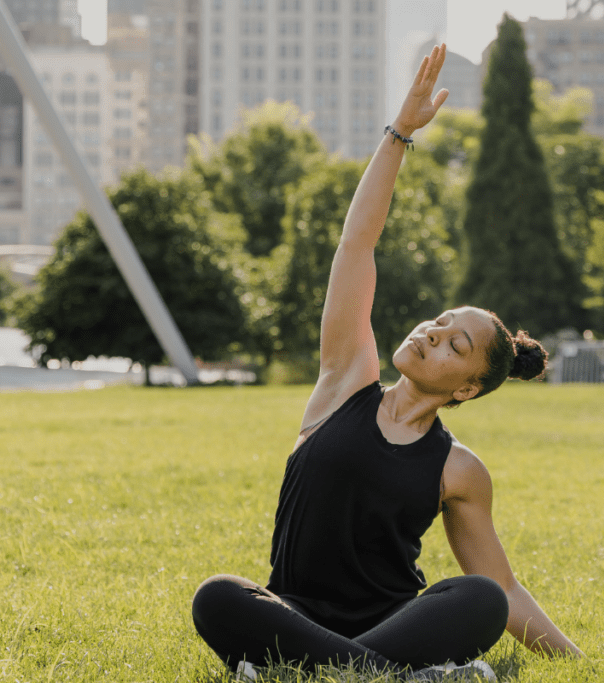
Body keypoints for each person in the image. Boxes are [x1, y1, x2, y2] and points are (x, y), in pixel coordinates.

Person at [192, 44, 583, 681]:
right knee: (217, 596)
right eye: (441, 322)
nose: (434, 334)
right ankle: (394, 676)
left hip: (396, 623)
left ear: (466, 390)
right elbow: (358, 243)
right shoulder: (345, 381)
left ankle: (324, 671)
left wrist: (584, 664)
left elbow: (503, 592)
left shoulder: (460, 469)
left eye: (456, 345)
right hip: (292, 613)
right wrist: (400, 133)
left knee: (476, 599)